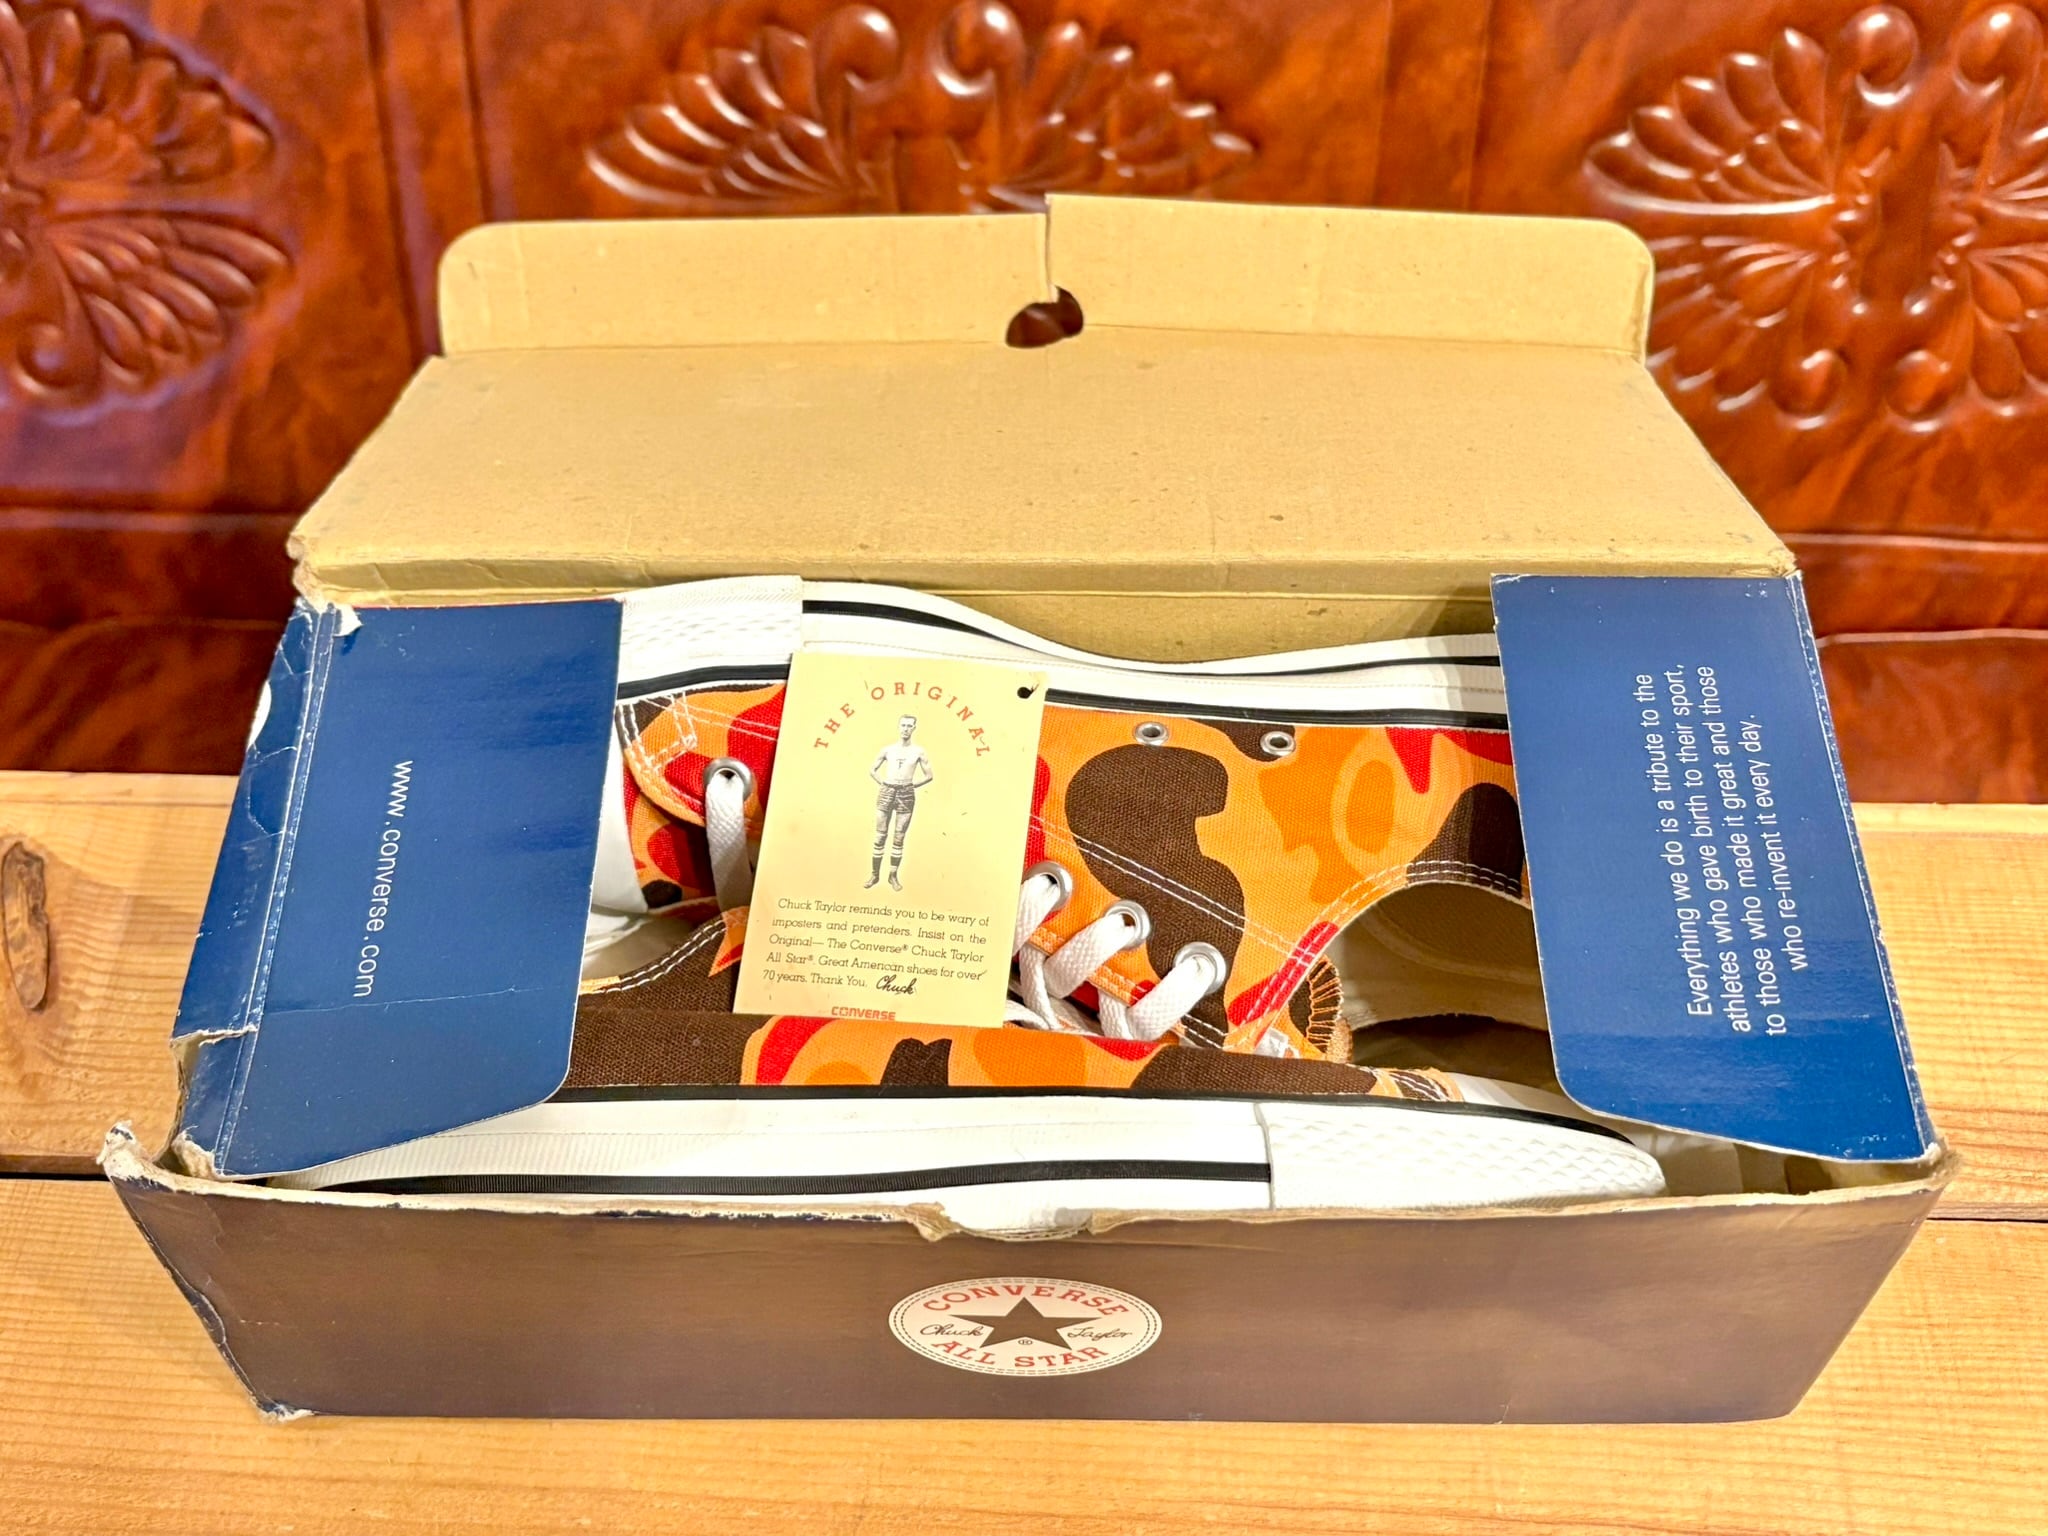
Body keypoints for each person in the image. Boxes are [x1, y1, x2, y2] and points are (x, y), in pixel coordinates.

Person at [867, 714, 933, 890]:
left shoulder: (918, 752)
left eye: (909, 726)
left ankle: (892, 876)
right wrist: (884, 784)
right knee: (880, 835)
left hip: (906, 793)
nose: (906, 729)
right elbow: (872, 770)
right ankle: (874, 875)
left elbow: (929, 775)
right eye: (903, 725)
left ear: (914, 728)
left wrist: (911, 785)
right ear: (898, 727)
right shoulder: (888, 750)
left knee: (899, 836)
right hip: (886, 791)